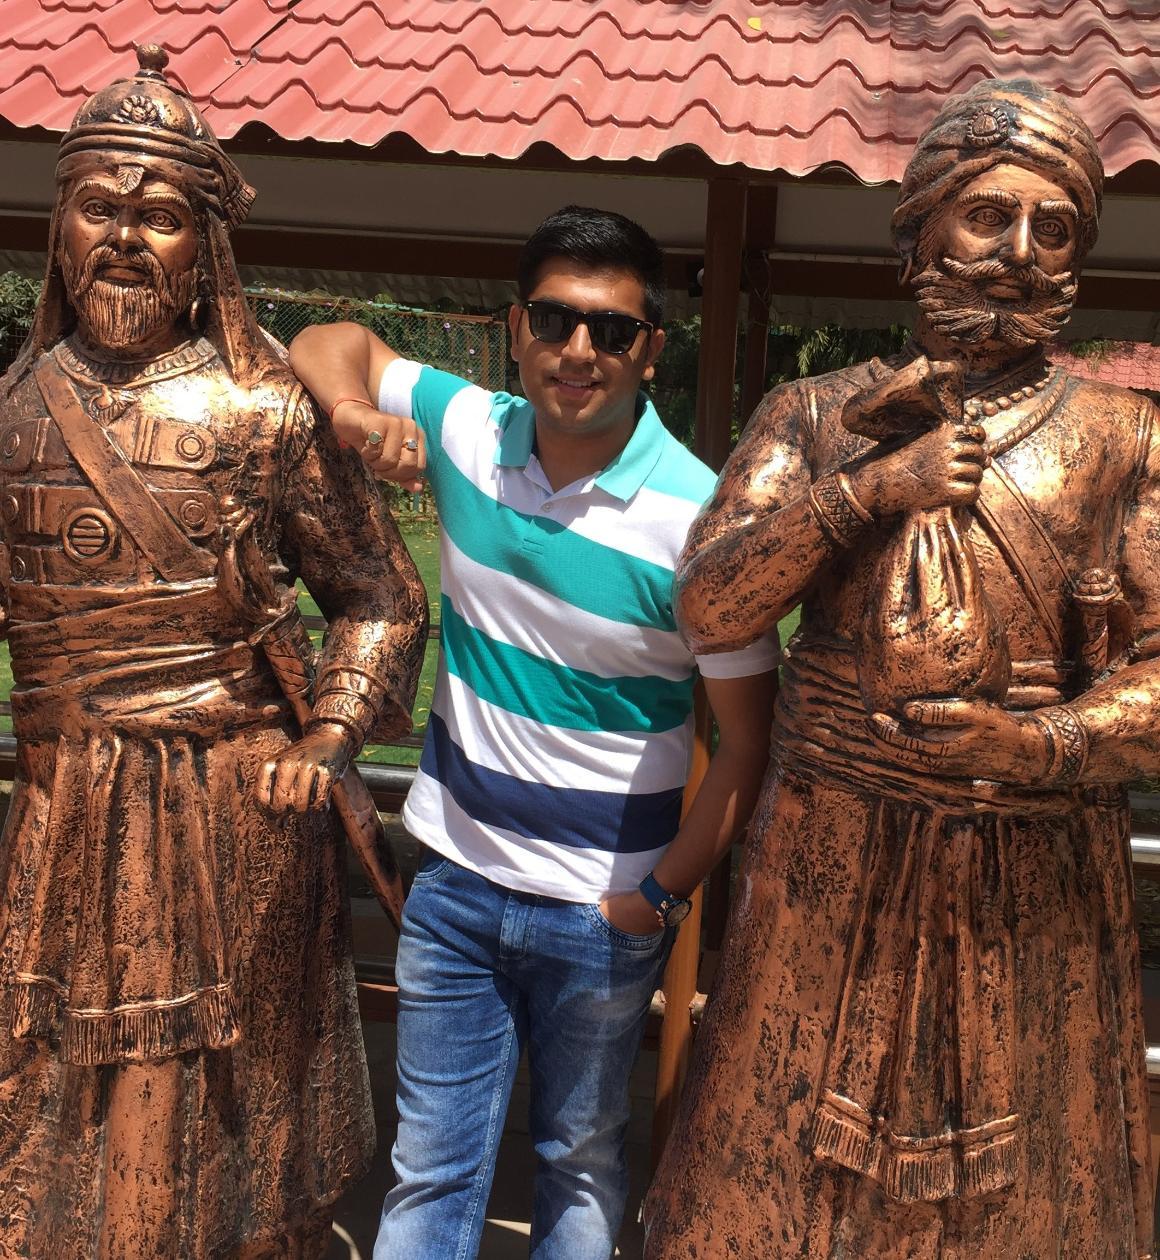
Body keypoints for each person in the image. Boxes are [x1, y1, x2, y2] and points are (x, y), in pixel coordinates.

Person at [643, 79, 1155, 1259]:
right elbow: (711, 601)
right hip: (832, 839)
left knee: (1022, 1184)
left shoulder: (1125, 439)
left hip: (1031, 859)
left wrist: (1040, 746)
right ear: (920, 228)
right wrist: (867, 491)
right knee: (781, 1169)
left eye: (1053, 227)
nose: (1017, 253)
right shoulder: (815, 415)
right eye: (985, 217)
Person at [0, 47, 428, 1259]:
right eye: (101, 207)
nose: (128, 240)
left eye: (163, 216)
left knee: (229, 1081)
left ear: (206, 248)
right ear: (61, 227)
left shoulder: (266, 410)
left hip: (231, 802)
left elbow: (382, 598)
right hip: (63, 802)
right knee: (52, 1076)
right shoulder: (13, 408)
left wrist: (331, 734)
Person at [289, 205, 778, 1260]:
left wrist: (656, 900)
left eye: (609, 330)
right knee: (430, 1170)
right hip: (455, 885)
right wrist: (349, 414)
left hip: (600, 919)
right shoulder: (471, 430)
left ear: (650, 347)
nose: (577, 351)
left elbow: (746, 744)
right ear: (516, 327)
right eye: (555, 321)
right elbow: (328, 342)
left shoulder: (701, 522)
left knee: (579, 1166)